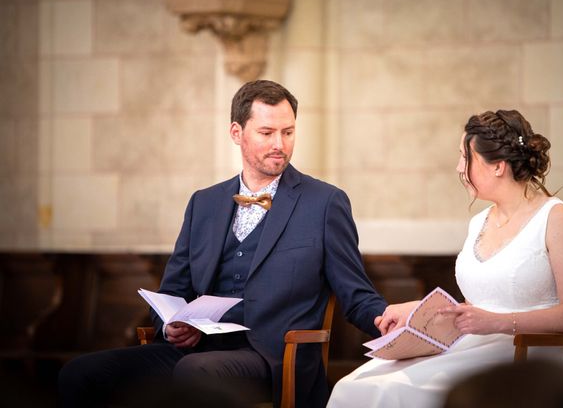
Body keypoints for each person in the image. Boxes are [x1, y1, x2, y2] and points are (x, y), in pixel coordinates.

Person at [58, 80, 387, 408]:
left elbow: (355, 293)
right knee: (80, 373)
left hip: (273, 359)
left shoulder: (325, 202)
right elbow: (174, 290)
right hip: (195, 351)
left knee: (195, 372)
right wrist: (172, 326)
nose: (280, 144)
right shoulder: (204, 203)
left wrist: (389, 318)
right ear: (236, 133)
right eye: (267, 132)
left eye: (288, 132)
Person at [327, 109, 563, 408]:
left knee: (390, 391)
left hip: (528, 351)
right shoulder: (480, 221)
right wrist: (418, 311)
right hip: (476, 343)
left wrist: (497, 323)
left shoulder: (557, 218)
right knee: (353, 385)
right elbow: (482, 303)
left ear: (498, 167)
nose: (458, 167)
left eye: (466, 158)